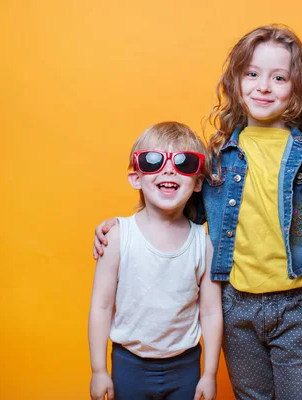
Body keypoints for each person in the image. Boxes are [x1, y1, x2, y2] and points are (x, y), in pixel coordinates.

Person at [93, 25, 302, 400]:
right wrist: (120, 227)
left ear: (297, 89)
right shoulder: (219, 160)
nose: (263, 87)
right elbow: (177, 205)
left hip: (298, 306)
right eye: (252, 74)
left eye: (279, 77)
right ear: (236, 82)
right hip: (235, 307)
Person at [88, 122, 222, 400]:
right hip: (129, 364)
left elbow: (210, 312)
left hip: (185, 366)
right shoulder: (116, 238)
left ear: (198, 183)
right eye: (153, 161)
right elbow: (100, 307)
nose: (169, 169)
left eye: (185, 162)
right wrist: (98, 369)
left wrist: (209, 374)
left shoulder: (204, 243)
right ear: (136, 178)